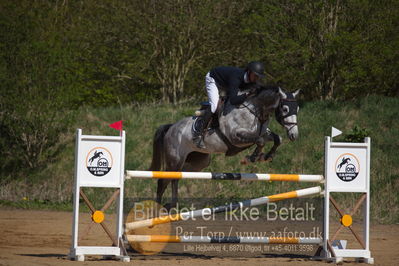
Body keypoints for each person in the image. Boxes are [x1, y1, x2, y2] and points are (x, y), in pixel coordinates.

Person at [193, 61, 265, 148]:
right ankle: (197, 134)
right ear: (249, 72)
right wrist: (246, 94)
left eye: (258, 77)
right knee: (214, 106)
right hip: (214, 79)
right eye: (255, 76)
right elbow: (233, 100)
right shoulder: (236, 77)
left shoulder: (251, 80)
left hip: (226, 83)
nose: (256, 79)